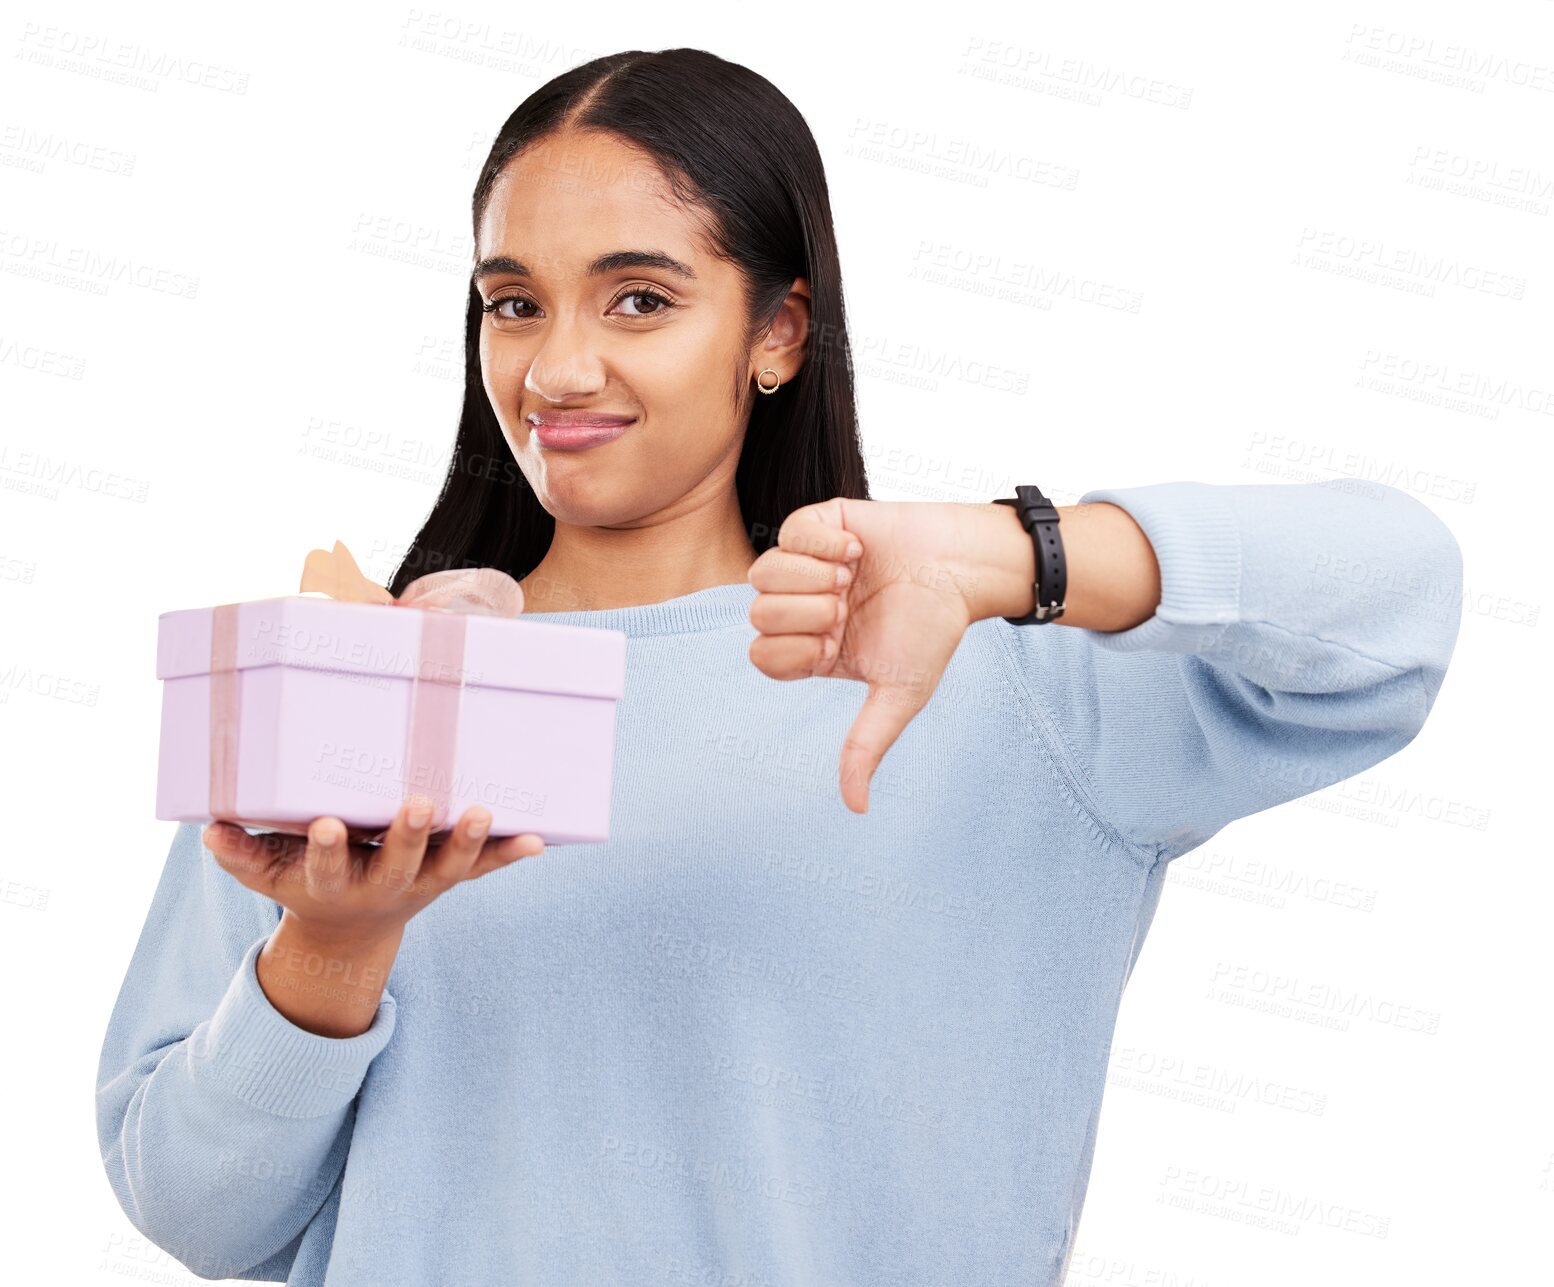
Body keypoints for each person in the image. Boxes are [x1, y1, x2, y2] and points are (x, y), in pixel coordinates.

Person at [96, 48, 1463, 1287]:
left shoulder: (986, 675)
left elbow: (1397, 604)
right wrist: (334, 948)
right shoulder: (364, 689)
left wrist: (1015, 554)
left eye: (638, 298)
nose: (556, 367)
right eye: (513, 304)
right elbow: (196, 1211)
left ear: (778, 333)